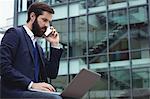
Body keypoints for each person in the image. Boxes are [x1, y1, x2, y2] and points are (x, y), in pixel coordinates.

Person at [0, 2, 63, 99]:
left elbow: (52, 73)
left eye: (49, 22)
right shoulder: (15, 34)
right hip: (14, 92)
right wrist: (31, 84)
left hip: (33, 92)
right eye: (44, 20)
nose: (47, 25)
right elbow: (3, 67)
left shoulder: (38, 48)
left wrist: (55, 45)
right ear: (32, 16)